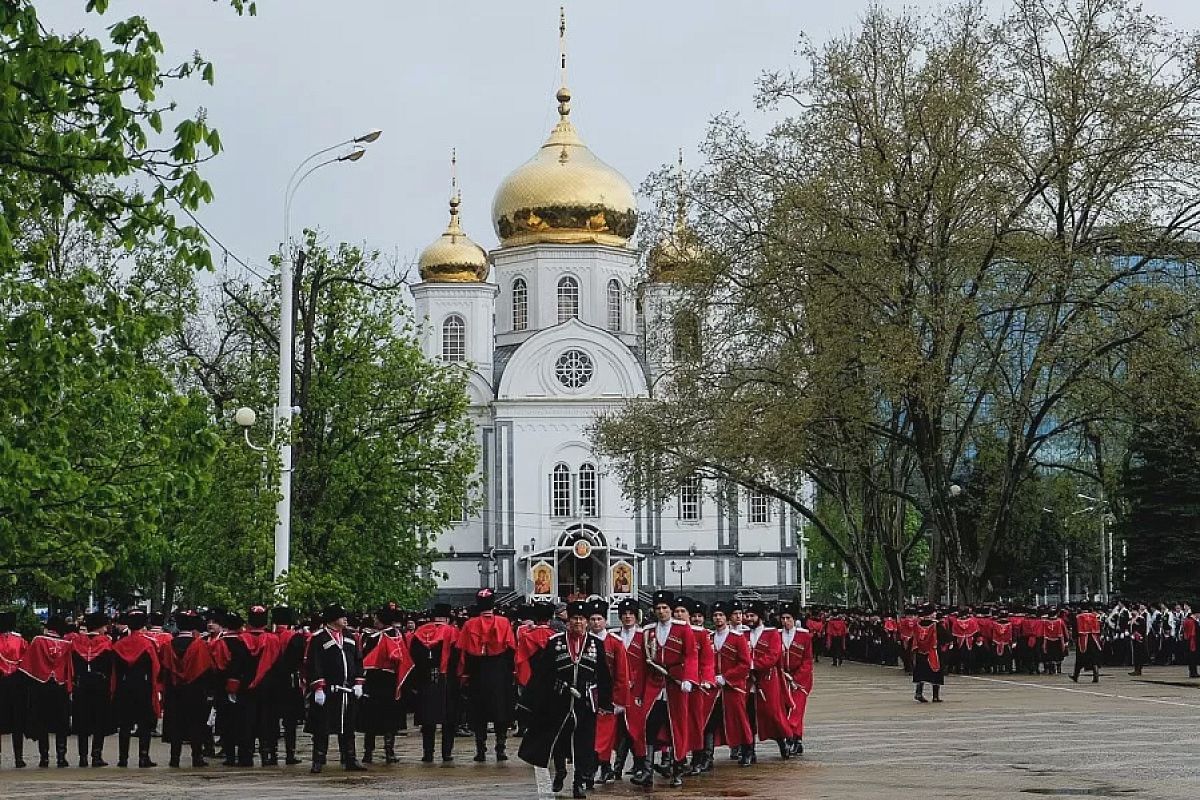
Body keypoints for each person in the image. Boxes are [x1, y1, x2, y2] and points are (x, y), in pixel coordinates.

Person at [518, 600, 613, 799]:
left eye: (581, 619)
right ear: (567, 621)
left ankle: (579, 781)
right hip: (559, 699)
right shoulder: (556, 642)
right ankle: (560, 771)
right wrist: (529, 700)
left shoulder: (596, 644)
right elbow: (542, 673)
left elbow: (603, 673)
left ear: (587, 622)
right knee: (559, 738)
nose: (578, 623)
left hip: (585, 701)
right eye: (574, 619)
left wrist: (605, 701)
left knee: (583, 742)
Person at [630, 589, 696, 789]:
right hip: (654, 685)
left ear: (671, 609)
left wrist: (689, 679)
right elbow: (642, 665)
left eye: (665, 608)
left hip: (676, 685)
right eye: (658, 608)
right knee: (648, 726)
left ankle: (677, 769)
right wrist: (639, 693)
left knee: (676, 728)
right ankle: (647, 771)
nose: (661, 611)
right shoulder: (648, 631)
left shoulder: (683, 629)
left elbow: (691, 655)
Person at [305, 604, 366, 773]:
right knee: (322, 727)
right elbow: (313, 664)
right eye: (342, 616)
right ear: (333, 619)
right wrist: (318, 687)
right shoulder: (319, 638)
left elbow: (358, 661)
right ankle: (318, 760)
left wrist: (359, 683)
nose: (346, 619)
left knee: (348, 727)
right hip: (328, 690)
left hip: (348, 691)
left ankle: (350, 758)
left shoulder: (350, 637)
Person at [457, 588, 516, 763]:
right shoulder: (504, 622)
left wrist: (464, 674)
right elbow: (511, 649)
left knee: (479, 711)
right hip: (499, 671)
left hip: (477, 670)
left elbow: (464, 653)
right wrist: (512, 672)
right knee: (501, 711)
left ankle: (480, 749)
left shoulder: (469, 624)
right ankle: (500, 748)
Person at [359, 605, 414, 765]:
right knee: (389, 718)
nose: (374, 620)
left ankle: (368, 752)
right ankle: (389, 751)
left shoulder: (373, 637)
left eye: (377, 618)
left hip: (374, 679)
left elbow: (365, 657)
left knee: (371, 718)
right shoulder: (397, 635)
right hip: (390, 679)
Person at [20, 615, 73, 767]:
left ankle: (44, 758)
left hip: (41, 685)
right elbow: (68, 667)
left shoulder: (38, 641)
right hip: (59, 685)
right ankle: (61, 757)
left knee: (42, 721)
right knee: (61, 722)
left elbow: (28, 664)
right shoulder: (67, 644)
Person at [409, 602, 459, 763]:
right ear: (448, 618)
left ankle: (428, 753)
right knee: (448, 719)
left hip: (425, 678)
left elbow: (413, 658)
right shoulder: (452, 632)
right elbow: (458, 657)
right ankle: (446, 753)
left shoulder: (420, 632)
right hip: (446, 678)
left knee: (428, 719)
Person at [111, 608, 163, 768]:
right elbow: (156, 667)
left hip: (124, 686)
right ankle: (143, 757)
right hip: (143, 686)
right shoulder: (148, 644)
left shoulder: (118, 645)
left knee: (125, 725)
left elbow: (115, 671)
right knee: (144, 724)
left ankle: (123, 758)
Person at [161, 610, 213, 768]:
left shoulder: (168, 646)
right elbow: (206, 670)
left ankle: (174, 758)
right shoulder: (201, 646)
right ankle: (196, 757)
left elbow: (165, 670)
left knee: (176, 723)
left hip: (174, 691)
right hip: (195, 691)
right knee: (196, 724)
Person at [706, 600, 753, 768]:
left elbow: (745, 663)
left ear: (727, 618)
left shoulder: (737, 638)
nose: (718, 618)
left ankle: (747, 750)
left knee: (740, 719)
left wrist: (726, 677)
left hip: (733, 686)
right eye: (715, 615)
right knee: (710, 721)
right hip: (713, 688)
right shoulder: (709, 638)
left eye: (721, 615)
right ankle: (707, 756)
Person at [588, 599, 628, 786]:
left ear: (605, 620)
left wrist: (620, 700)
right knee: (590, 732)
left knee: (605, 734)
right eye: (593, 619)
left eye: (599, 619)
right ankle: (597, 766)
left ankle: (602, 766)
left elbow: (622, 672)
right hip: (588, 694)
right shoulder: (585, 641)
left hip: (608, 695)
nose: (596, 623)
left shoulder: (615, 642)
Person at [70, 612, 115, 767]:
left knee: (82, 721)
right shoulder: (107, 643)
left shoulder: (76, 642)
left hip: (81, 684)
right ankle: (96, 756)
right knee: (99, 721)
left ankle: (82, 757)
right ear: (101, 626)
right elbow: (110, 667)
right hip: (100, 684)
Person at [745, 601, 789, 761]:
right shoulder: (743, 635)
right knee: (748, 716)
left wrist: (753, 665)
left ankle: (782, 741)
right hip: (748, 682)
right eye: (747, 615)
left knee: (772, 715)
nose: (748, 619)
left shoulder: (772, 634)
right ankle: (749, 750)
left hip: (767, 681)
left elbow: (773, 655)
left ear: (760, 617)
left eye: (752, 616)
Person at [681, 598, 716, 776]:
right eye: (692, 616)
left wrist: (706, 680)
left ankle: (701, 758)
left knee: (700, 723)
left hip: (698, 687)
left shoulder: (704, 635)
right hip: (677, 685)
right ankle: (676, 760)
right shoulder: (676, 632)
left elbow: (707, 661)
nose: (695, 619)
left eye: (699, 616)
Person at [778, 603, 813, 756]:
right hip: (782, 678)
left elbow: (807, 661)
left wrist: (796, 678)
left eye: (788, 618)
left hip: (800, 680)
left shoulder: (804, 636)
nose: (785, 621)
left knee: (796, 710)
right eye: (783, 618)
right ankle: (797, 740)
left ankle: (791, 737)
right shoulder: (777, 635)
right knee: (784, 710)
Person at [0, 611, 29, 768]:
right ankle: (19, 757)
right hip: (17, 681)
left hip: (1, 681)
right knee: (17, 720)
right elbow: (27, 659)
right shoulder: (20, 640)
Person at [912, 606, 944, 702]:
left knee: (921, 673)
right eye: (934, 612)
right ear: (930, 614)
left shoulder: (917, 625)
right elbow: (945, 636)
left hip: (921, 652)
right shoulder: (936, 625)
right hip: (933, 652)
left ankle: (918, 693)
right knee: (936, 673)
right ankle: (935, 696)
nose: (935, 614)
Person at [1071, 605, 1103, 684]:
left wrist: (1074, 638)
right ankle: (1096, 673)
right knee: (1094, 657)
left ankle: (1076, 675)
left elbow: (1075, 629)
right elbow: (1100, 627)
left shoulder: (1078, 617)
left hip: (1083, 638)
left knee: (1080, 658)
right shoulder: (1095, 616)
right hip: (1093, 639)